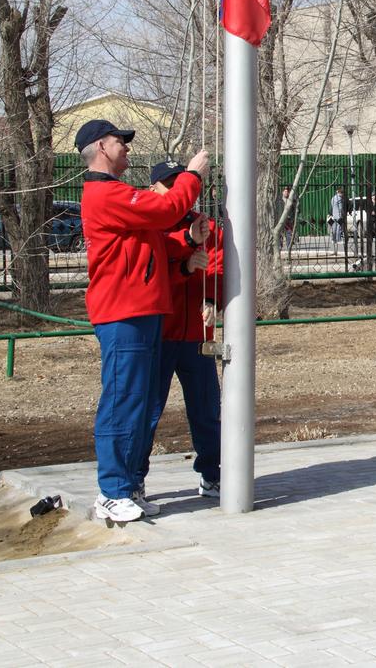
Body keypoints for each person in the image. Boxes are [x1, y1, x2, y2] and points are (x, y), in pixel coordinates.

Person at [77, 120, 208, 522]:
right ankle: (112, 491)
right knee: (123, 401)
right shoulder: (106, 194)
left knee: (137, 403)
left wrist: (186, 243)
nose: (128, 149)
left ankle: (128, 486)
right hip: (125, 312)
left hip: (143, 310)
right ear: (102, 147)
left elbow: (151, 240)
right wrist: (192, 175)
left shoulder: (116, 194)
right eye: (122, 142)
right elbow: (168, 208)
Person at [135, 160, 224, 500]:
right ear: (154, 189)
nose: (177, 191)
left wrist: (213, 299)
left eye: (181, 183)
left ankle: (212, 474)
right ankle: (135, 478)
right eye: (169, 184)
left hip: (197, 336)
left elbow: (218, 266)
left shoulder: (207, 227)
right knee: (147, 410)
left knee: (206, 410)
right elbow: (148, 275)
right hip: (158, 333)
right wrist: (184, 267)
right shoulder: (148, 226)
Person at [280, 186, 297, 253]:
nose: (286, 192)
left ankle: (289, 247)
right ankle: (279, 247)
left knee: (289, 233)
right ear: (282, 192)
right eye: (285, 191)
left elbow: (294, 210)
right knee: (280, 234)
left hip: (288, 219)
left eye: (287, 191)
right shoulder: (280, 200)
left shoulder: (291, 200)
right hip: (281, 219)